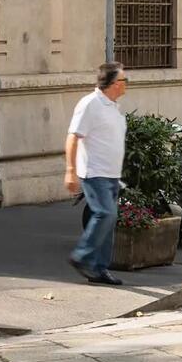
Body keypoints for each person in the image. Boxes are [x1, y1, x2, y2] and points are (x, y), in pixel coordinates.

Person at [65, 62, 129, 286]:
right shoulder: (90, 104)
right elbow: (73, 137)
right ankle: (82, 256)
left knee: (108, 221)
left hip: (111, 174)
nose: (126, 84)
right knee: (106, 214)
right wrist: (70, 170)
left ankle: (99, 269)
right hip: (93, 172)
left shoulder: (113, 107)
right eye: (123, 80)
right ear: (112, 83)